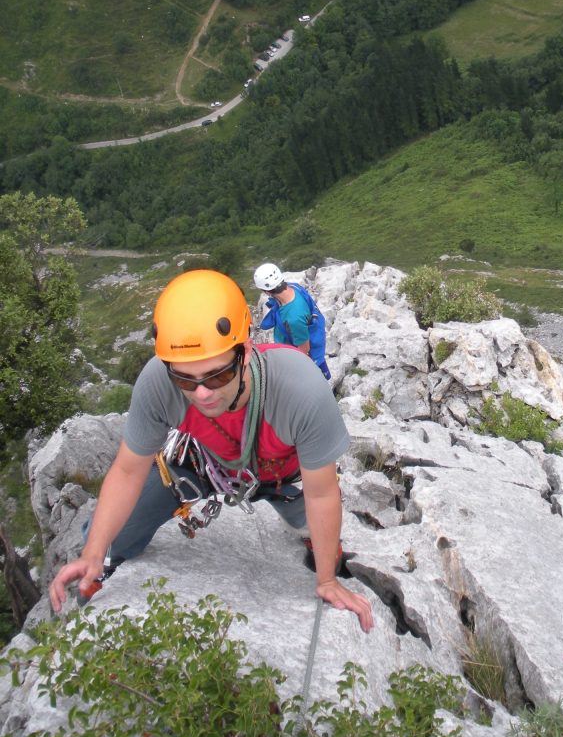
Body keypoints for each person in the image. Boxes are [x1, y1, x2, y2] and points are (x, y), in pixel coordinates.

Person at [48, 269, 373, 633]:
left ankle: (300, 521)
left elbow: (323, 490)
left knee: (316, 525)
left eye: (217, 376)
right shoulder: (159, 381)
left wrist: (327, 580)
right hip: (205, 463)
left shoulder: (300, 389)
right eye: (185, 379)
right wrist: (94, 552)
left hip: (286, 477)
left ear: (246, 350)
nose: (202, 393)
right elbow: (127, 471)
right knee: (108, 538)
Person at [253, 263, 331, 380]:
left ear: (267, 291)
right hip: (296, 333)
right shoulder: (293, 287)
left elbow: (304, 349)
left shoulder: (294, 318)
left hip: (301, 349)